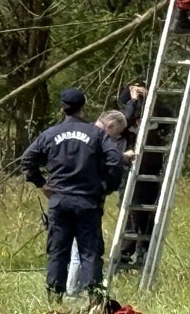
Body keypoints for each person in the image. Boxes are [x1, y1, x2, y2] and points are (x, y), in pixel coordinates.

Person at [19, 89, 123, 300]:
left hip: (59, 201)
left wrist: (42, 184)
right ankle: (94, 300)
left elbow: (27, 160)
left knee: (58, 252)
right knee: (90, 252)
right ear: (83, 108)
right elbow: (115, 159)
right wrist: (106, 186)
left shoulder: (49, 134)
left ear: (62, 109)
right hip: (88, 201)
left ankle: (54, 300)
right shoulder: (97, 134)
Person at [65, 110, 132, 295]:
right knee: (82, 247)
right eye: (117, 132)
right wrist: (122, 158)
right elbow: (99, 162)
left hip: (66, 195)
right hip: (84, 197)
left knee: (82, 246)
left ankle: (76, 287)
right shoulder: (96, 138)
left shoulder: (81, 133)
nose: (116, 137)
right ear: (110, 126)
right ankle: (72, 291)